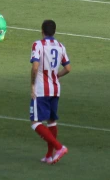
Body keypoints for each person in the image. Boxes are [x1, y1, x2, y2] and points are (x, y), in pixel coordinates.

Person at [28, 19, 70, 164]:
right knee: (51, 121)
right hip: (55, 89)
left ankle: (59, 147)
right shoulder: (60, 46)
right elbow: (68, 68)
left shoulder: (38, 45)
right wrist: (56, 76)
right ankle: (48, 155)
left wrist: (32, 85)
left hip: (41, 89)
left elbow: (35, 67)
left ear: (42, 30)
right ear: (54, 31)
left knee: (35, 122)